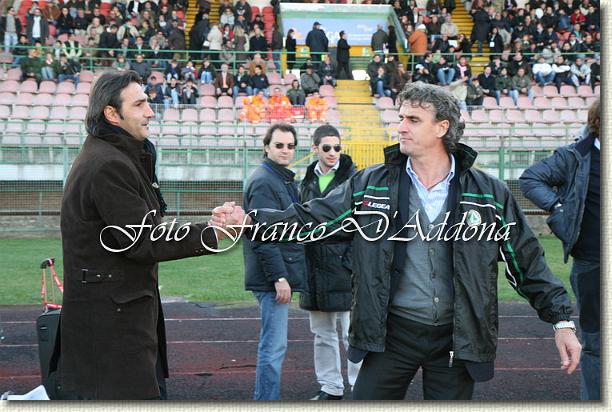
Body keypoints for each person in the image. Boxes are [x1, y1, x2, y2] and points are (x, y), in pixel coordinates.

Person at [212, 82, 581, 400]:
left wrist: (561, 321)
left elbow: (526, 262)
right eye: (401, 117)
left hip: (458, 337)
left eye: (413, 120)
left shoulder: (489, 193)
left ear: (442, 128)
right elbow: (313, 220)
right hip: (390, 334)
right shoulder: (370, 184)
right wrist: (250, 221)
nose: (400, 127)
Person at [55, 70, 228, 400]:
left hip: (116, 320)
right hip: (111, 330)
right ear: (112, 114)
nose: (150, 112)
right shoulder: (108, 164)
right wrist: (213, 232)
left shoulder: (116, 156)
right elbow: (144, 239)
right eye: (139, 104)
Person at [520, 99, 600, 401]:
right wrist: (558, 207)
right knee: (596, 343)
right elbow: (530, 178)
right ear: (599, 122)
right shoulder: (574, 156)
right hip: (592, 263)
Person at [242, 123, 306, 400]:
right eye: (279, 145)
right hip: (271, 278)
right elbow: (262, 234)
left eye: (290, 146)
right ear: (267, 147)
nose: (285, 150)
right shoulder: (265, 181)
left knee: (274, 345)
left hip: (275, 274)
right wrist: (279, 277)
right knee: (273, 347)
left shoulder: (280, 178)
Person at [299, 125, 361, 401]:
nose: (333, 152)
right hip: (315, 268)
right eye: (327, 147)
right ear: (315, 149)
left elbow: (363, 225)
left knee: (352, 334)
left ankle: (360, 387)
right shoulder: (306, 180)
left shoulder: (354, 179)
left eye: (337, 147)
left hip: (346, 268)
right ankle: (330, 387)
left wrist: (350, 261)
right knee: (322, 334)